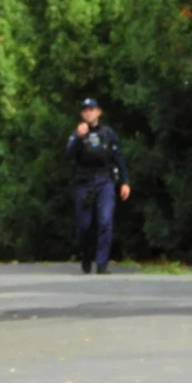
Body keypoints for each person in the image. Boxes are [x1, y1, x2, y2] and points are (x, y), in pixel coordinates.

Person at [65, 98, 131, 274]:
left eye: (91, 109)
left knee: (105, 221)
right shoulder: (77, 133)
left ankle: (102, 263)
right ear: (81, 114)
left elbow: (119, 157)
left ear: (99, 112)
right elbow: (68, 154)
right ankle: (86, 257)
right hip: (84, 182)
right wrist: (79, 137)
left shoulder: (108, 133)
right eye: (85, 110)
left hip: (105, 181)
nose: (88, 112)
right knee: (84, 225)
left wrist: (125, 181)